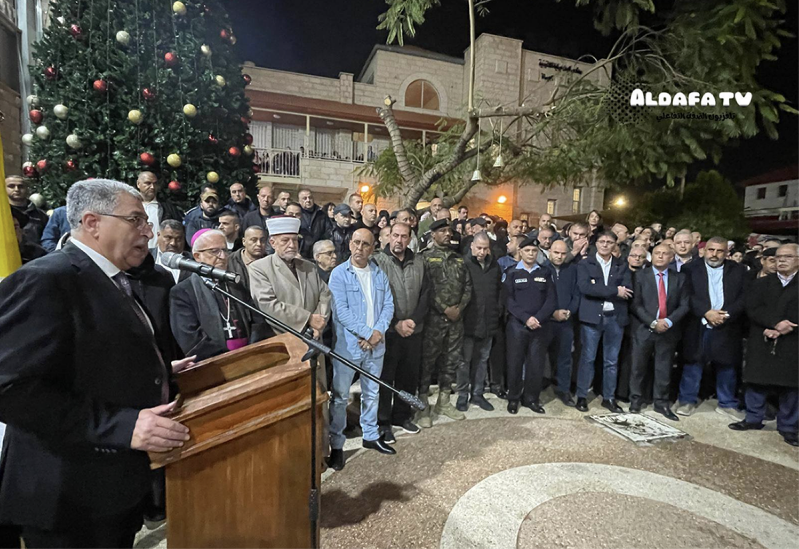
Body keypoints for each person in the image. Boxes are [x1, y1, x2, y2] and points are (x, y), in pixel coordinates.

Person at [0, 179, 191, 549]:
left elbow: (87, 361)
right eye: (136, 220)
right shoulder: (46, 279)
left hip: (112, 490)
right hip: (67, 496)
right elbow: (10, 386)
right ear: (92, 223)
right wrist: (119, 425)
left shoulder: (118, 280)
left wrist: (161, 372)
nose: (148, 231)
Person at [328, 229, 395, 469]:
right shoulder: (338, 274)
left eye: (365, 244)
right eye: (356, 242)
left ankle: (370, 435)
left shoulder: (378, 273)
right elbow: (341, 311)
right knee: (340, 397)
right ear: (349, 244)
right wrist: (368, 333)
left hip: (376, 346)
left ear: (373, 247)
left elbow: (388, 305)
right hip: (348, 346)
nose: (360, 248)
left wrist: (377, 334)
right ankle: (336, 445)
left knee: (372, 393)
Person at [730, 244, 799, 446]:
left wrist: (790, 327)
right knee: (756, 380)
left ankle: (788, 426)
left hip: (793, 340)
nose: (781, 260)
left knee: (791, 386)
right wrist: (773, 324)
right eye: (778, 257)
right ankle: (753, 418)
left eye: (787, 256)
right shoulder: (761, 283)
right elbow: (752, 308)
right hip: (763, 335)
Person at [674, 236, 746, 419]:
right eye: (711, 250)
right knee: (693, 363)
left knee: (727, 365)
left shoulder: (739, 270)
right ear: (704, 251)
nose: (714, 255)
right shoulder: (689, 269)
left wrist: (725, 315)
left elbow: (744, 297)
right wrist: (706, 312)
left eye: (719, 251)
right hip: (698, 323)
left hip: (727, 324)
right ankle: (687, 400)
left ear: (726, 253)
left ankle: (727, 403)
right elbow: (687, 295)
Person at [169, 230, 270, 360]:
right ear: (197, 256)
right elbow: (190, 338)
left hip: (251, 356)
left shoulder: (235, 284)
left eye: (225, 250)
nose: (222, 256)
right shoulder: (182, 292)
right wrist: (228, 359)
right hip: (215, 365)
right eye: (214, 251)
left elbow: (257, 320)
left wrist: (252, 350)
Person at [373, 222, 429, 442]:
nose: (399, 240)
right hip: (389, 331)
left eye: (404, 236)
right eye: (395, 235)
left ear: (410, 239)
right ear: (388, 236)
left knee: (408, 377)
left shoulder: (419, 262)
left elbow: (426, 294)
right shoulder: (378, 261)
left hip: (413, 331)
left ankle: (402, 416)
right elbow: (376, 298)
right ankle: (384, 421)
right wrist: (395, 323)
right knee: (386, 378)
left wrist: (413, 321)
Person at [417, 219, 472, 427]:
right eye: (442, 231)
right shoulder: (424, 258)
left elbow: (467, 287)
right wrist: (444, 308)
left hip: (456, 321)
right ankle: (422, 404)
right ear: (433, 235)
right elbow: (425, 289)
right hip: (433, 320)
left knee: (451, 361)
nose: (448, 234)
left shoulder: (459, 259)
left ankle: (444, 401)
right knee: (428, 362)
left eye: (449, 231)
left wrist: (459, 308)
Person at [628, 244, 690, 420]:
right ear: (651, 256)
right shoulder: (640, 276)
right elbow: (635, 304)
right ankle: (636, 400)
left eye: (665, 254)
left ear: (672, 258)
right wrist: (653, 322)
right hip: (644, 328)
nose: (661, 257)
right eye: (657, 253)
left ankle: (661, 403)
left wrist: (668, 321)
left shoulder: (681, 278)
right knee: (638, 367)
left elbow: (685, 304)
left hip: (668, 329)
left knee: (663, 368)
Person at [575, 230, 633, 413]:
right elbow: (585, 288)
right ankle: (582, 396)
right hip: (592, 318)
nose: (606, 244)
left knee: (611, 361)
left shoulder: (622, 265)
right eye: (602, 241)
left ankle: (609, 397)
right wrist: (615, 291)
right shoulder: (585, 264)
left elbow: (628, 290)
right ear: (596, 244)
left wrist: (599, 287)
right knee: (588, 359)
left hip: (615, 318)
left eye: (609, 242)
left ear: (615, 244)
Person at [504, 237, 557, 414]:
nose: (531, 254)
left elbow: (551, 300)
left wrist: (538, 318)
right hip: (517, 325)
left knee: (536, 364)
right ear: (520, 252)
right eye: (527, 251)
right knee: (515, 363)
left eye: (534, 251)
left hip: (540, 325)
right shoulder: (511, 272)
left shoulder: (545, 272)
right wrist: (526, 318)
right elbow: (508, 300)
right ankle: (513, 399)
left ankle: (531, 399)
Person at [458, 232, 502, 412]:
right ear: (471, 246)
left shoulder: (494, 266)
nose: (482, 252)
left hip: (489, 321)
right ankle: (462, 395)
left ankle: (478, 393)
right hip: (468, 321)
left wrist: (498, 311)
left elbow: (499, 290)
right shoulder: (463, 264)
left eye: (485, 248)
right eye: (479, 248)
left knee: (482, 360)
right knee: (464, 361)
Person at [547, 240, 580, 406]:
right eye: (556, 252)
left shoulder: (572, 270)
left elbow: (577, 294)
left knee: (565, 358)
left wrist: (569, 312)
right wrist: (552, 313)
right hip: (546, 321)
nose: (559, 256)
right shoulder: (542, 269)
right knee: (539, 357)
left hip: (566, 321)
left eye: (562, 253)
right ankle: (537, 389)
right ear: (550, 252)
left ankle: (563, 390)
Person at [136, 172, 184, 249]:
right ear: (138, 184)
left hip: (159, 255)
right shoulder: (130, 206)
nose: (152, 187)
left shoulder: (168, 209)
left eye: (155, 184)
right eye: (148, 183)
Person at [6, 175, 49, 244]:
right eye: (11, 186)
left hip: (37, 253)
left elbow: (48, 239)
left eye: (21, 186)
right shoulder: (2, 214)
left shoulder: (41, 215)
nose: (16, 189)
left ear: (27, 189)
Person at [227, 226, 267, 292]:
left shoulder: (270, 262)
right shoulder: (230, 261)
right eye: (254, 240)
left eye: (262, 240)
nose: (259, 244)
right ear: (244, 241)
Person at [298, 189, 329, 259]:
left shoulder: (321, 214)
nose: (308, 200)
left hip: (318, 252)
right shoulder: (297, 213)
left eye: (310, 197)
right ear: (299, 201)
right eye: (304, 198)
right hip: (300, 252)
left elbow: (328, 232)